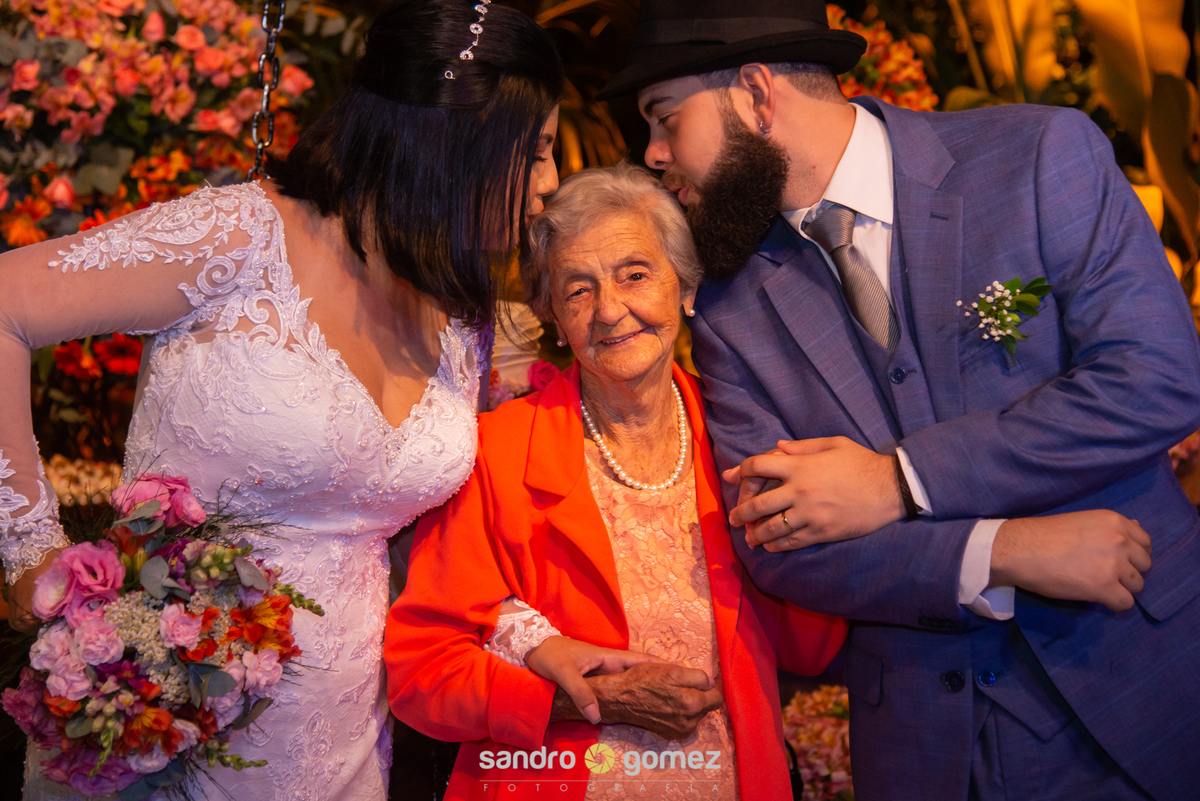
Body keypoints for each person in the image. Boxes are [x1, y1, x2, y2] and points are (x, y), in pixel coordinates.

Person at [596, 1, 1200, 799]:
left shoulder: (1038, 156)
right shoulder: (732, 306)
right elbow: (776, 541)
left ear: (754, 93)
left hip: (1145, 682)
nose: (655, 152)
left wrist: (897, 479)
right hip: (929, 750)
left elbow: (1155, 376)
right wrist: (998, 551)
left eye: (665, 116)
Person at [0, 1, 563, 798]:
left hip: (347, 744)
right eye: (535, 152)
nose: (547, 185)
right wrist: (28, 548)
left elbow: (438, 547)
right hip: (164, 719)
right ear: (456, 146)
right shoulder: (241, 235)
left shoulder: (461, 312)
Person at [384, 163, 848, 801]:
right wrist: (581, 701)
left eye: (635, 275)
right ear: (551, 316)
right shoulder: (496, 453)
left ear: (685, 287)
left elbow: (813, 645)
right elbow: (422, 671)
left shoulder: (743, 437)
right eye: (577, 290)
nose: (610, 311)